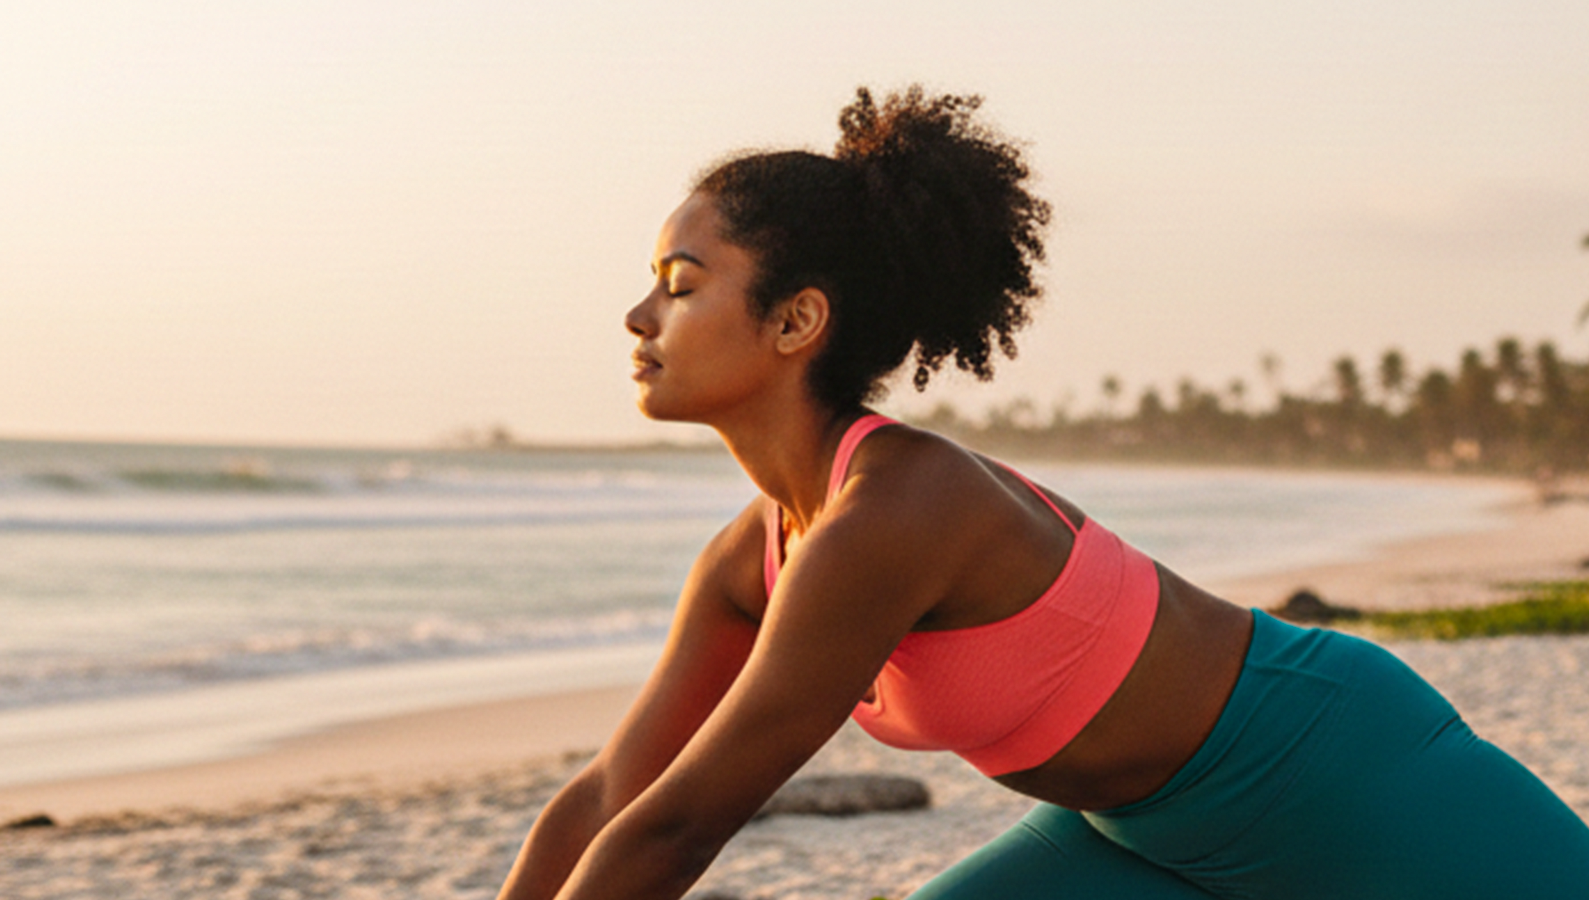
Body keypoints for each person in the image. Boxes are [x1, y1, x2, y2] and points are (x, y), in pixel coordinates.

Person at [496, 86, 1589, 900]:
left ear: (795, 322)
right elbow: (610, 798)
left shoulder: (895, 514)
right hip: (1132, 839)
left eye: (680, 286)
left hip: (1338, 775)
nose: (639, 316)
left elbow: (683, 825)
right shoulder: (753, 560)